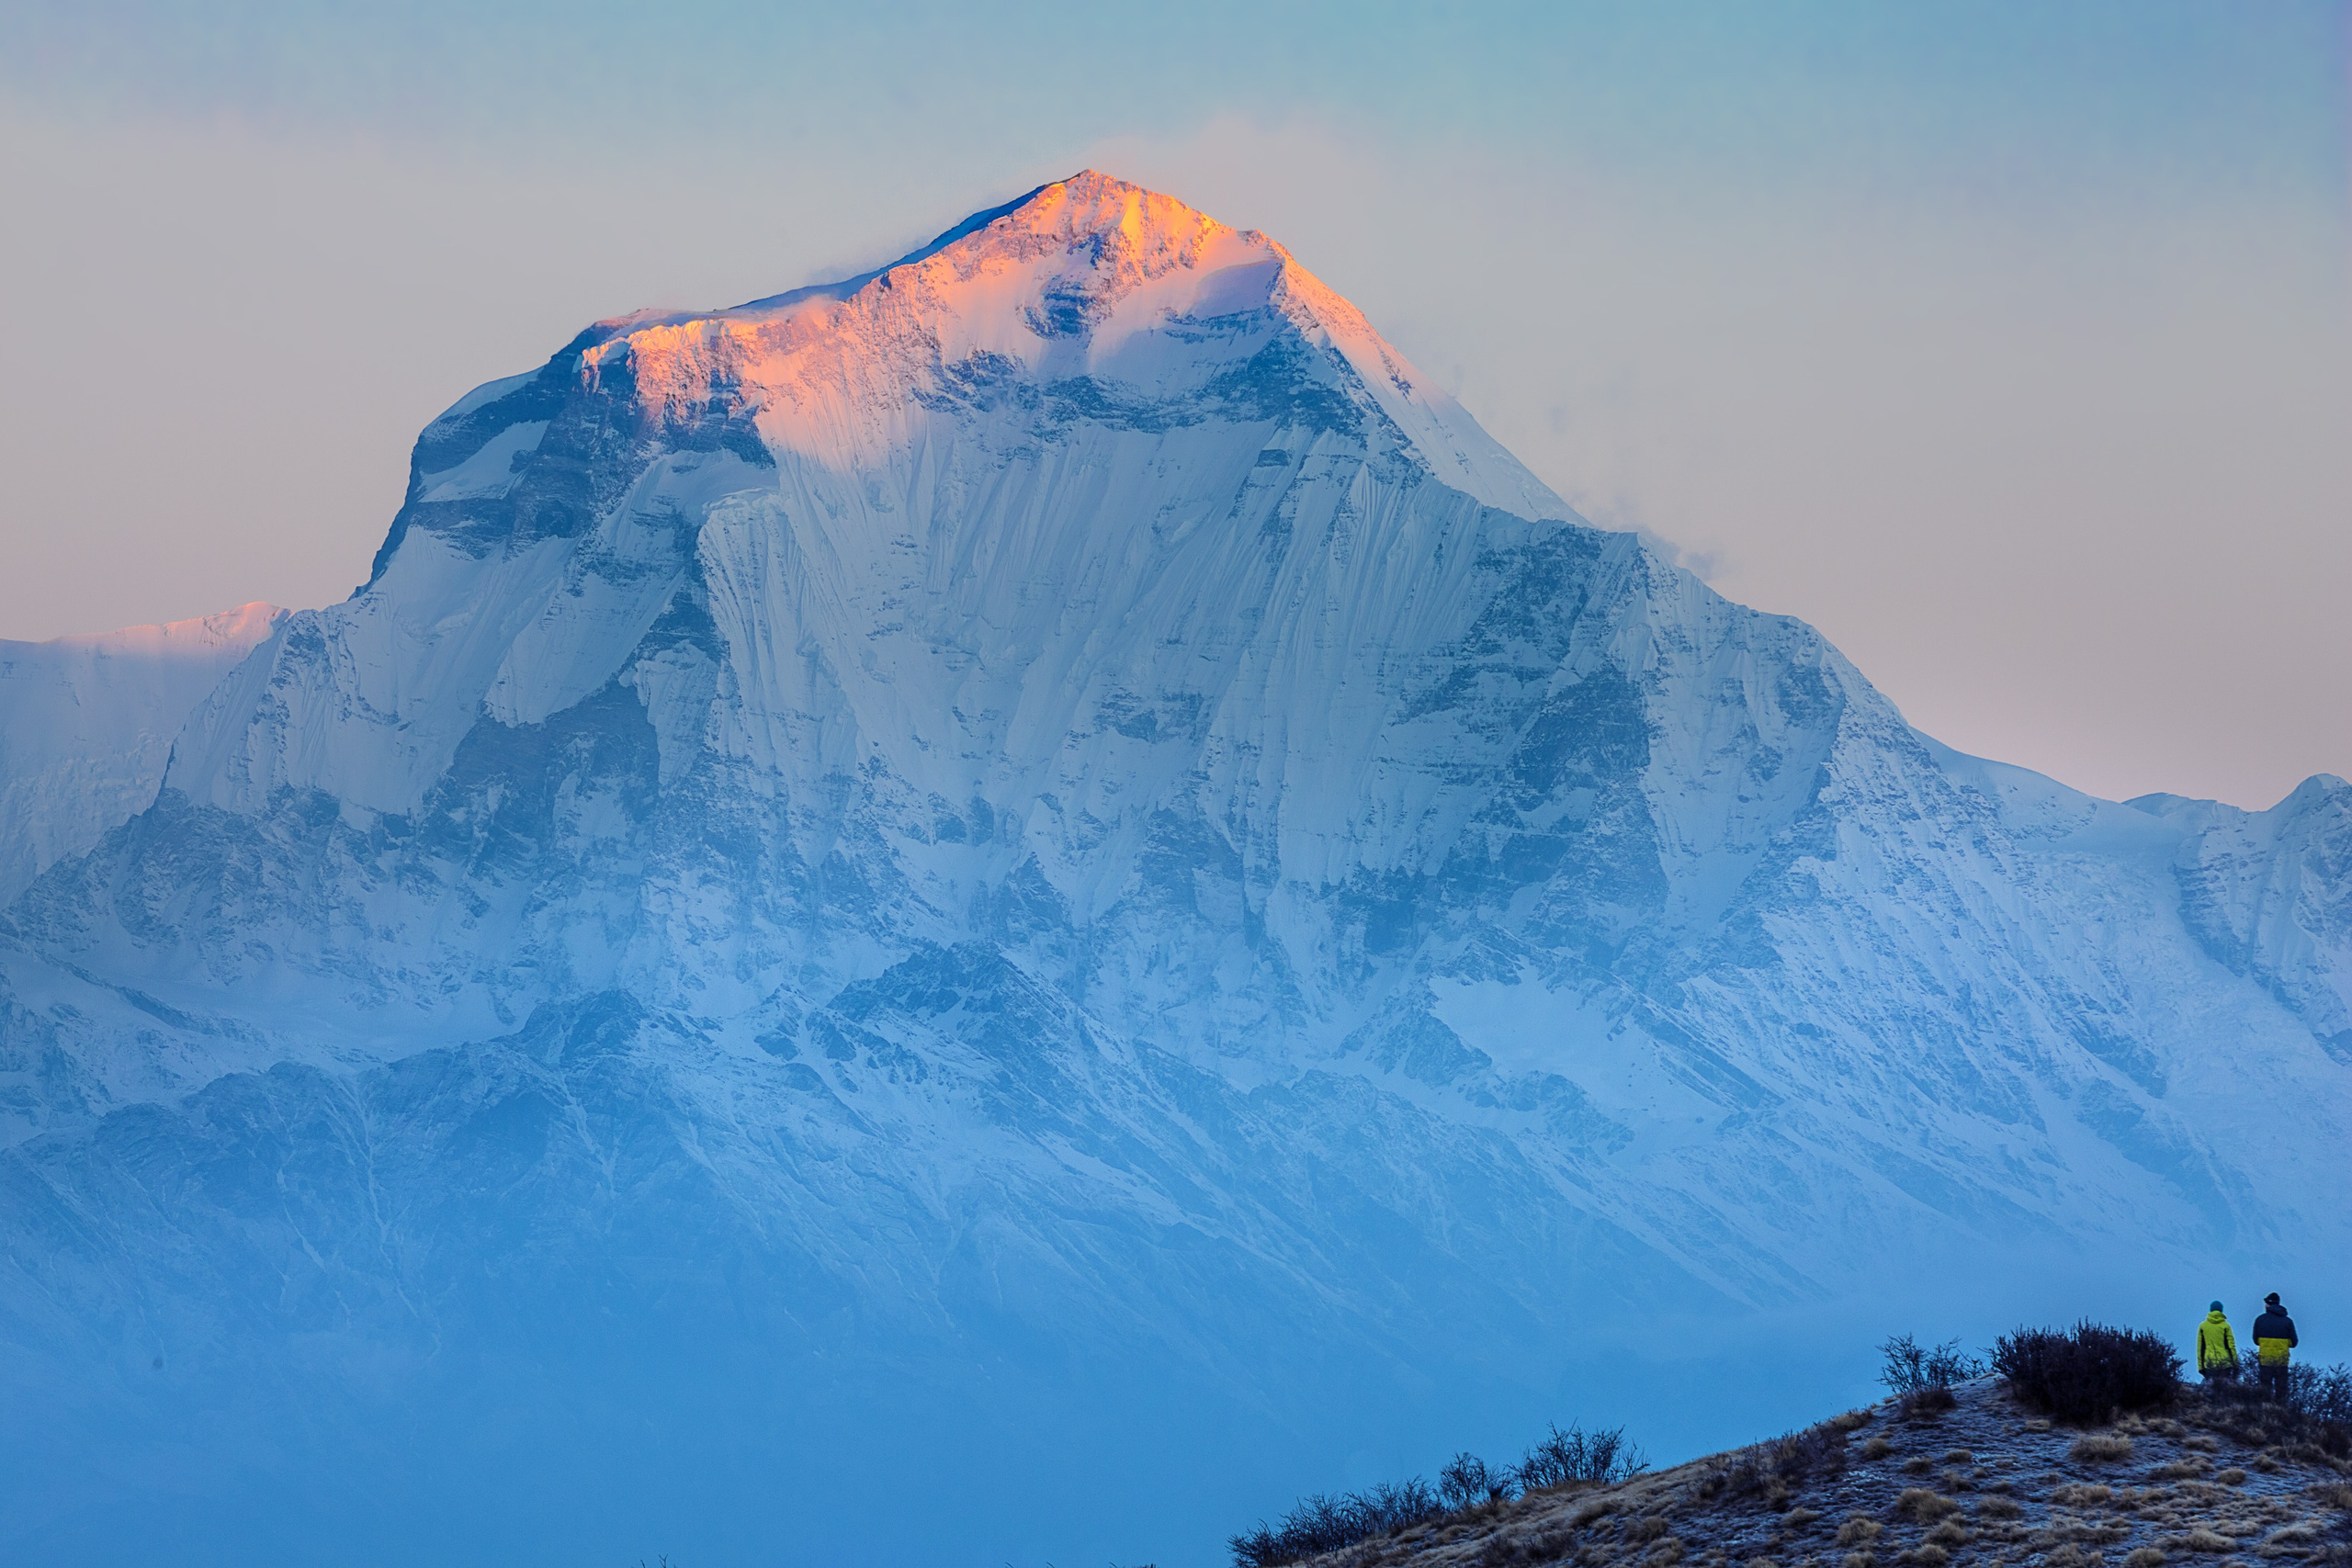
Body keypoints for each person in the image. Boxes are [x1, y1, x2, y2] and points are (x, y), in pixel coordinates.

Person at [2251, 1292, 2298, 1403]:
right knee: (2281, 1390)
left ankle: (2265, 1412)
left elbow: (2256, 1340)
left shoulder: (2260, 1320)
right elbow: (2294, 1343)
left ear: (2268, 1304)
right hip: (2281, 1361)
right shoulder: (2288, 1321)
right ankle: (2281, 1412)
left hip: (2265, 1360)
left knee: (2265, 1389)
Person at [2196, 1301, 2238, 1384]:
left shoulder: (2203, 1326)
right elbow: (2231, 1346)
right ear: (2221, 1311)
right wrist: (2235, 1363)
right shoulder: (2226, 1326)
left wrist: (2201, 1366)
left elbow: (2200, 1348)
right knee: (2224, 1390)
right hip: (2225, 1363)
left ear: (2210, 1310)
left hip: (2209, 1362)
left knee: (2211, 1390)